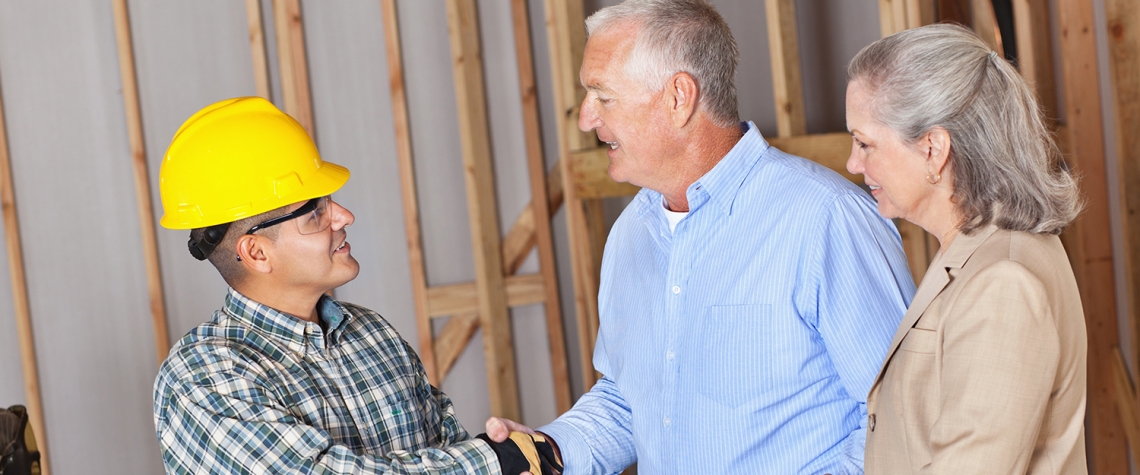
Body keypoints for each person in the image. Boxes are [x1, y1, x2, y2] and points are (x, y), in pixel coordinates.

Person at [487, 1, 915, 473]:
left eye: (603, 96)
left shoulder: (826, 219)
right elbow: (631, 401)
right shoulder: (631, 234)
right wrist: (551, 449)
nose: (586, 118)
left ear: (678, 97)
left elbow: (900, 417)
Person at [152, 97, 561, 474]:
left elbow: (444, 448)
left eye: (331, 201)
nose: (344, 216)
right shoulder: (202, 376)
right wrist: (491, 460)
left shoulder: (374, 334)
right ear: (257, 253)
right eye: (314, 213)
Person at [844, 24, 1087, 473]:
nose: (853, 163)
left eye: (865, 143)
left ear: (934, 149)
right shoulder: (977, 251)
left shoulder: (1003, 283)